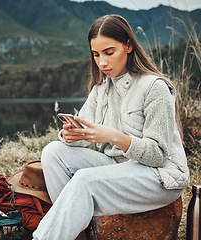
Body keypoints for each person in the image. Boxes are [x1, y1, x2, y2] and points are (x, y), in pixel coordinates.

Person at [32, 15, 190, 240]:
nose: (102, 62)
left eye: (109, 52)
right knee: (52, 152)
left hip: (160, 176)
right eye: (96, 54)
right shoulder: (101, 89)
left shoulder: (155, 87)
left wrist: (115, 137)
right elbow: (87, 135)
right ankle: (74, 234)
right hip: (118, 165)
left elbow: (159, 155)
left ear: (128, 46)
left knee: (85, 181)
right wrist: (71, 135)